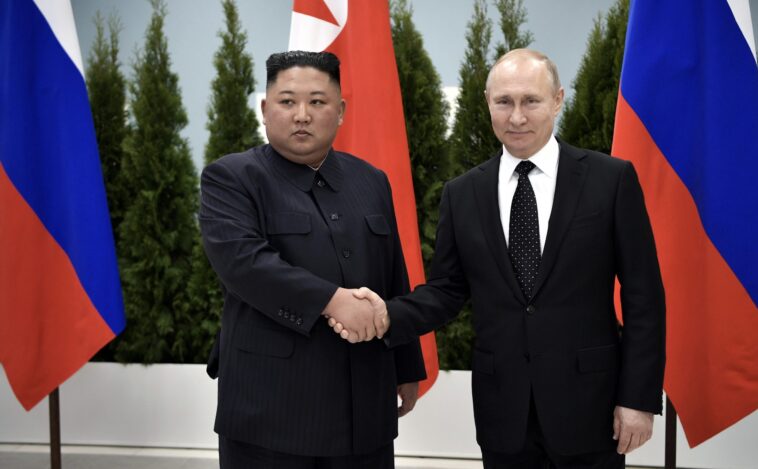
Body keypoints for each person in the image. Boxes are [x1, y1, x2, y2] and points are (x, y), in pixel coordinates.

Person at [334, 49, 665, 468]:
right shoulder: (462, 193)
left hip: (591, 409)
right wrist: (386, 315)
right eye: (504, 102)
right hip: (504, 414)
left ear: (558, 100)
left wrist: (638, 399)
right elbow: (446, 292)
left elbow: (644, 298)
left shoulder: (611, 180)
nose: (517, 117)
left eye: (531, 101)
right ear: (487, 103)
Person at [199, 50, 425, 469]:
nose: (302, 115)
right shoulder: (231, 177)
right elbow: (245, 264)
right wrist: (332, 301)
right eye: (287, 101)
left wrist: (407, 366)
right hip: (270, 410)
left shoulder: (371, 180)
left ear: (340, 111)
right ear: (265, 109)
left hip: (365, 406)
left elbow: (394, 274)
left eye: (317, 102)